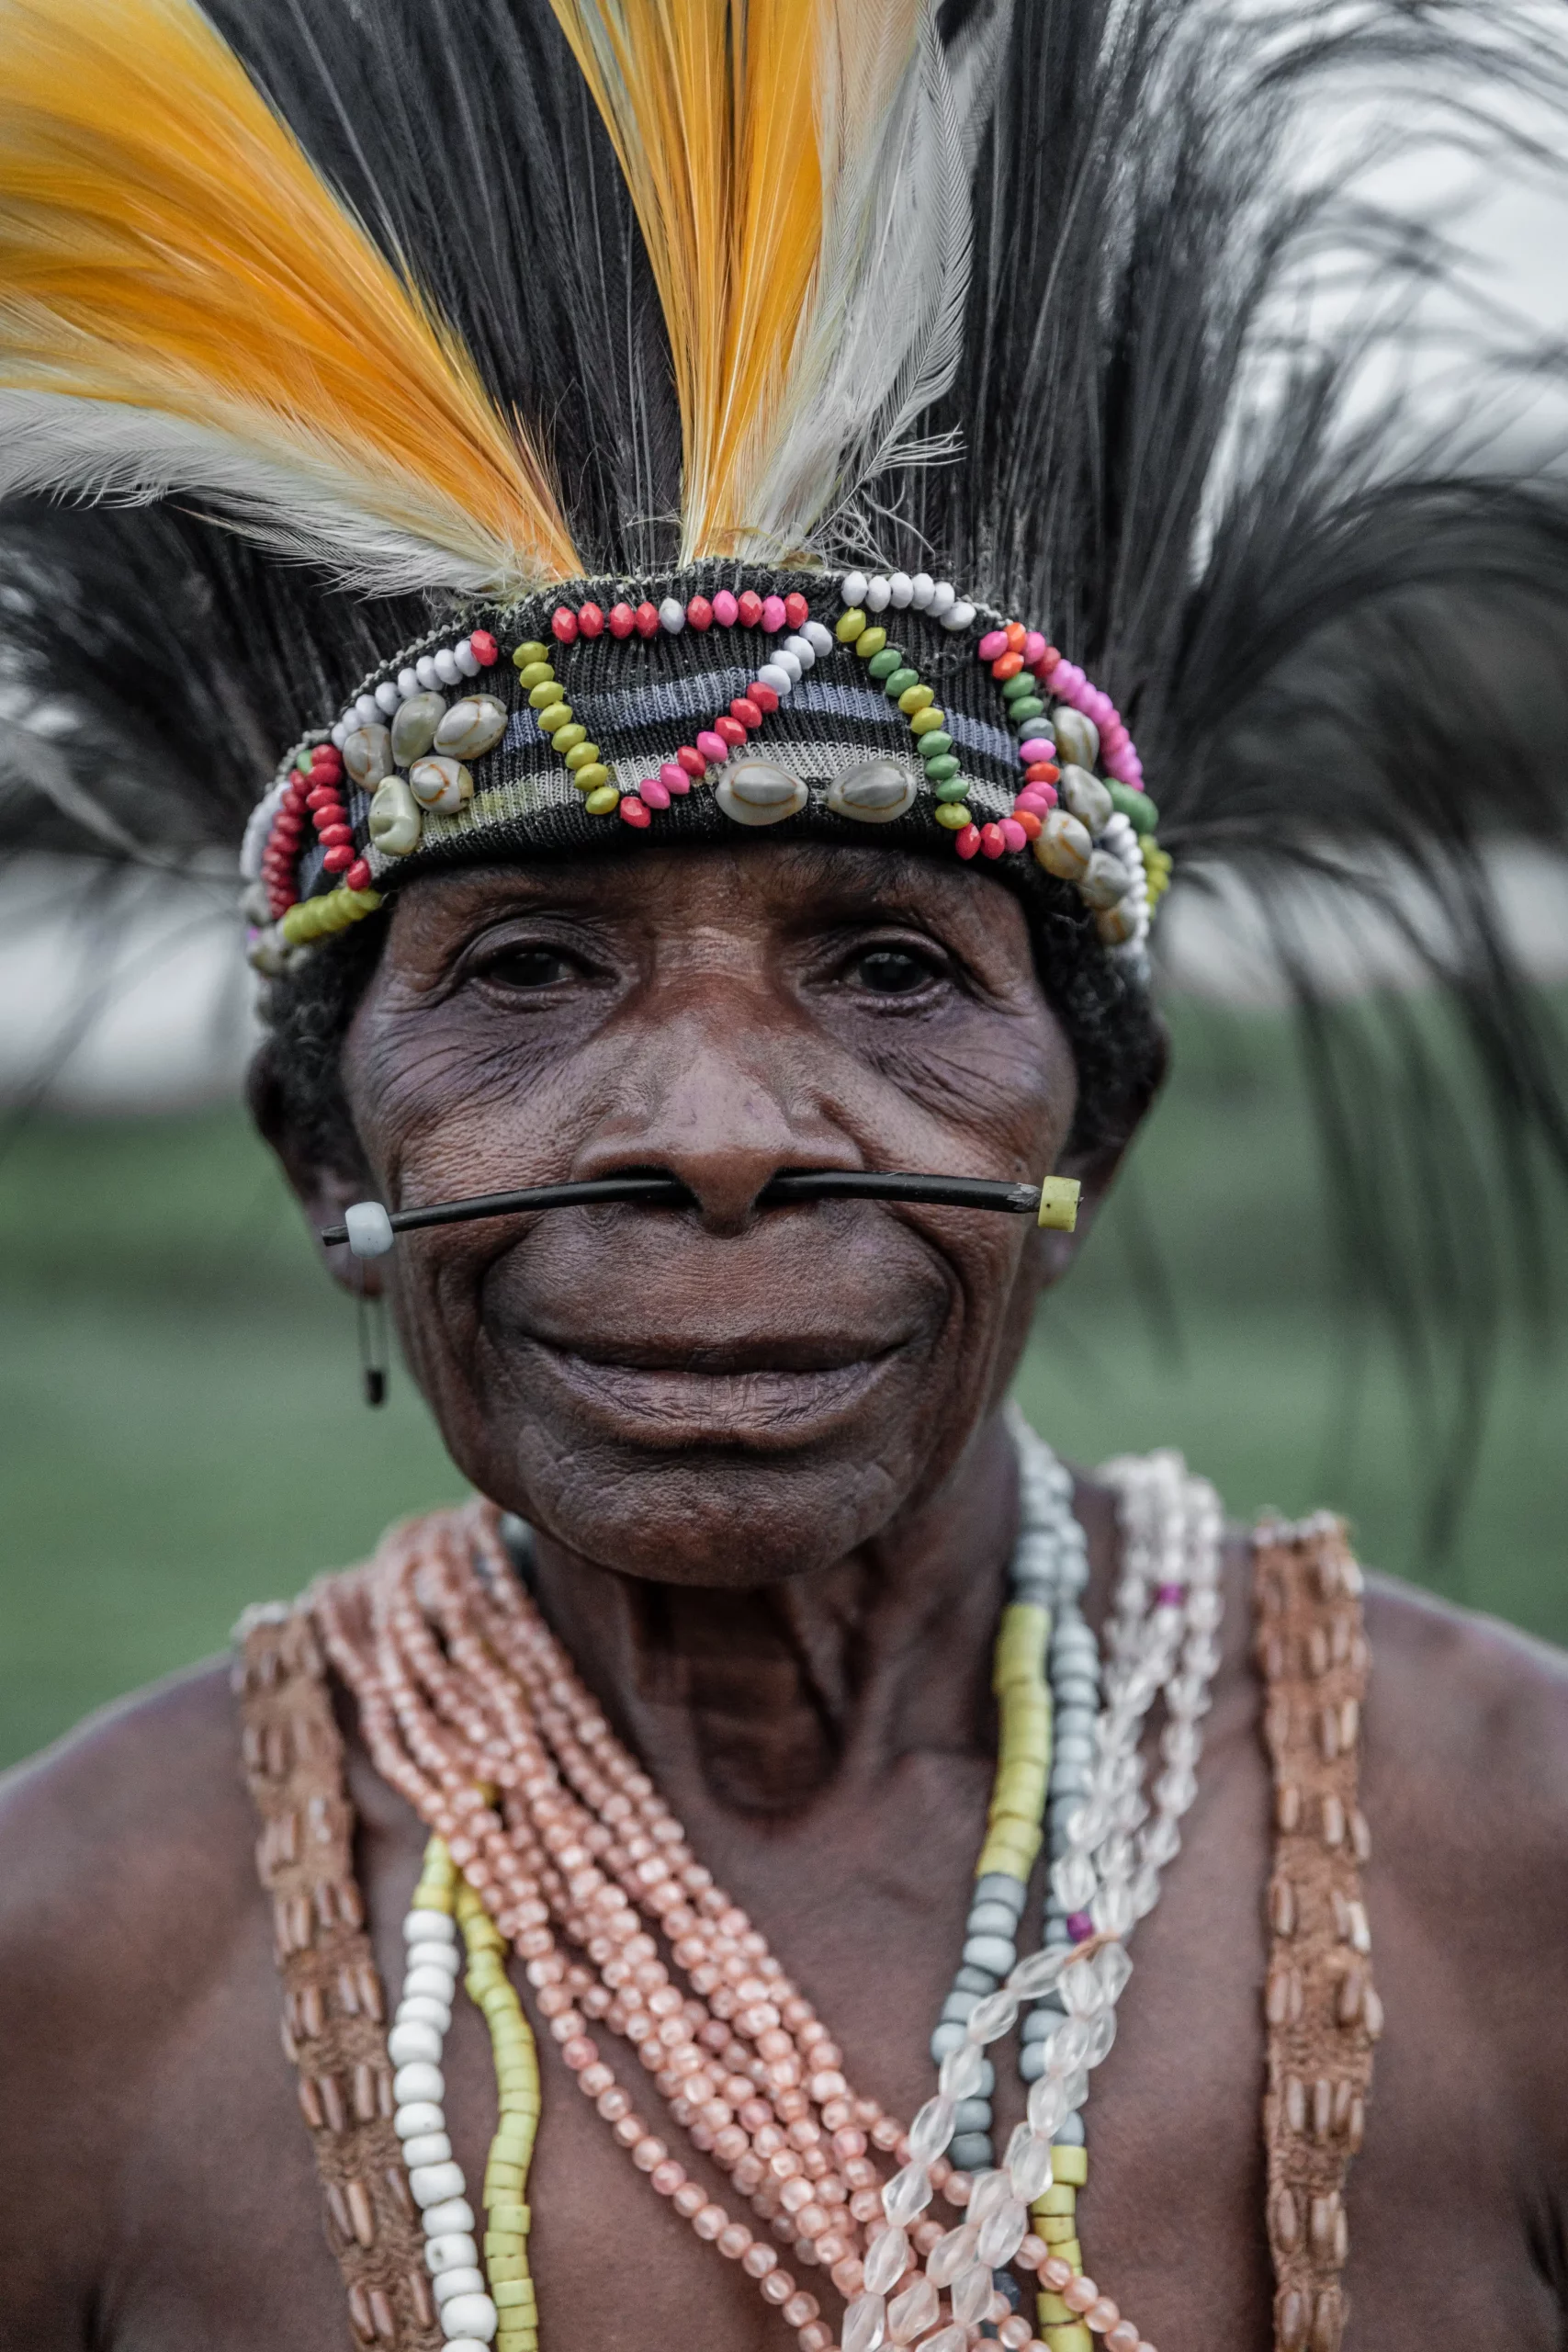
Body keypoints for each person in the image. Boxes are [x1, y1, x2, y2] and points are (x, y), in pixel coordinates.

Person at [2, 1, 1568, 2347]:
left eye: (891, 968)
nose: (720, 1133)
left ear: (1093, 1135)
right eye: (526, 966)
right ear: (327, 1153)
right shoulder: (75, 1958)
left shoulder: (1505, 1857)